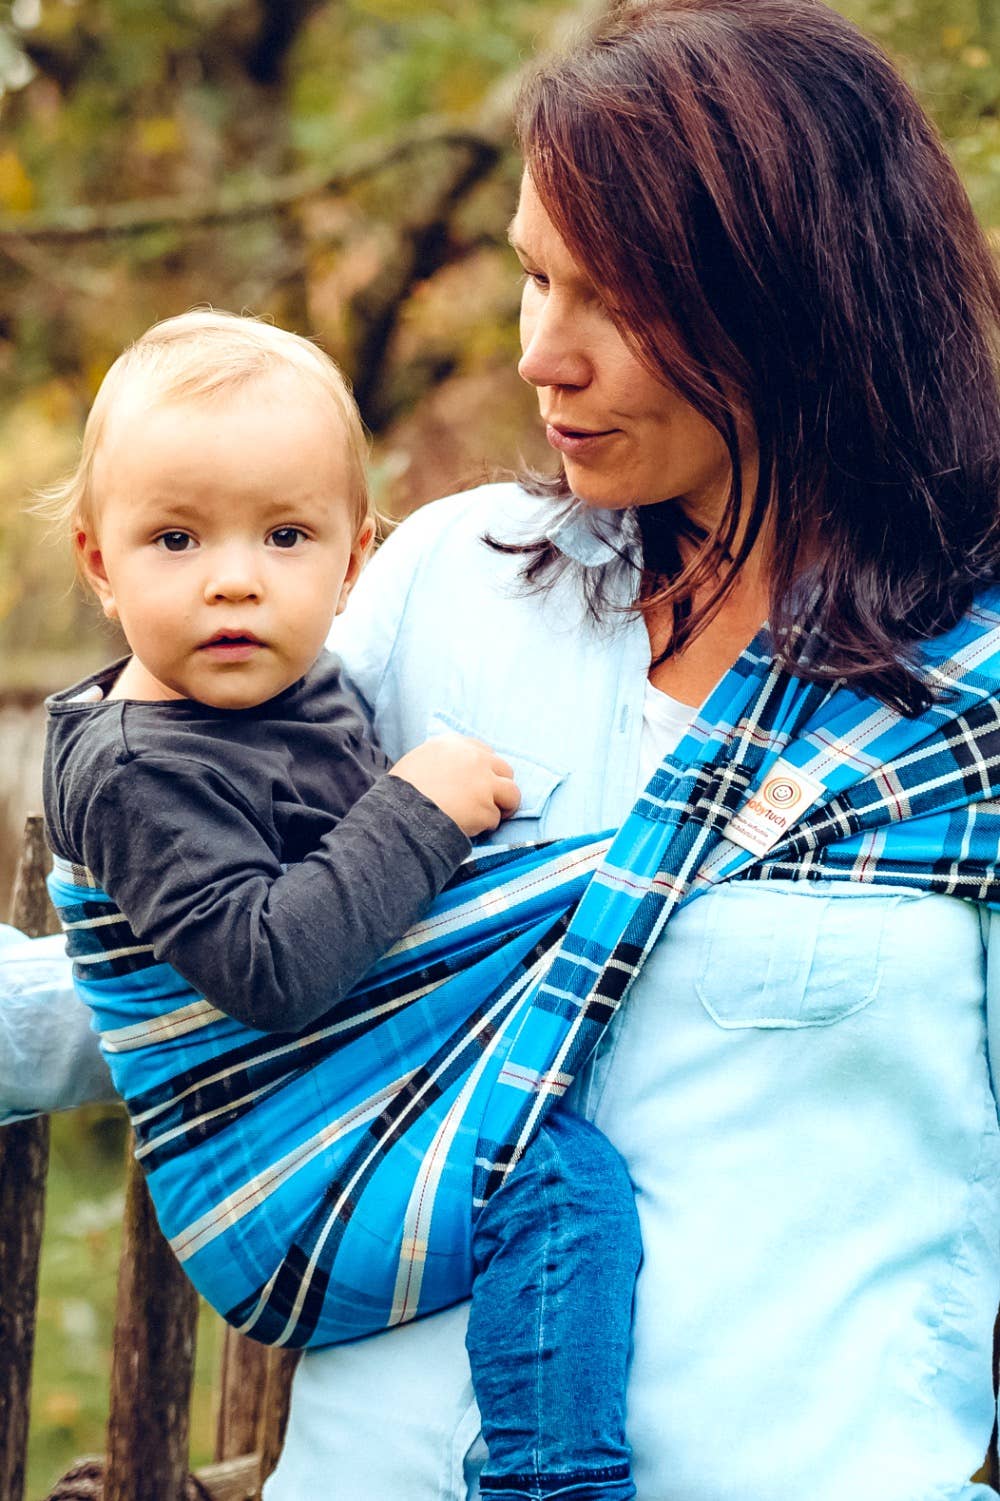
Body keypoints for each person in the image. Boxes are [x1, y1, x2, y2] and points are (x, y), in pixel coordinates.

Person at [3, 1, 1000, 1497]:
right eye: (535, 277)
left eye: (614, 300)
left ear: (795, 299)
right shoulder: (452, 582)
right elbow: (230, 954)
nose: (542, 355)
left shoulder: (967, 703)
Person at [39, 309, 644, 1501]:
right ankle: (554, 1481)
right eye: (175, 537)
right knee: (555, 1181)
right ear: (100, 563)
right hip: (268, 1191)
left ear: (353, 559)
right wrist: (420, 809)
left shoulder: (296, 692)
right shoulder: (137, 767)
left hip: (352, 1120)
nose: (232, 578)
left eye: (284, 535)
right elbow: (272, 968)